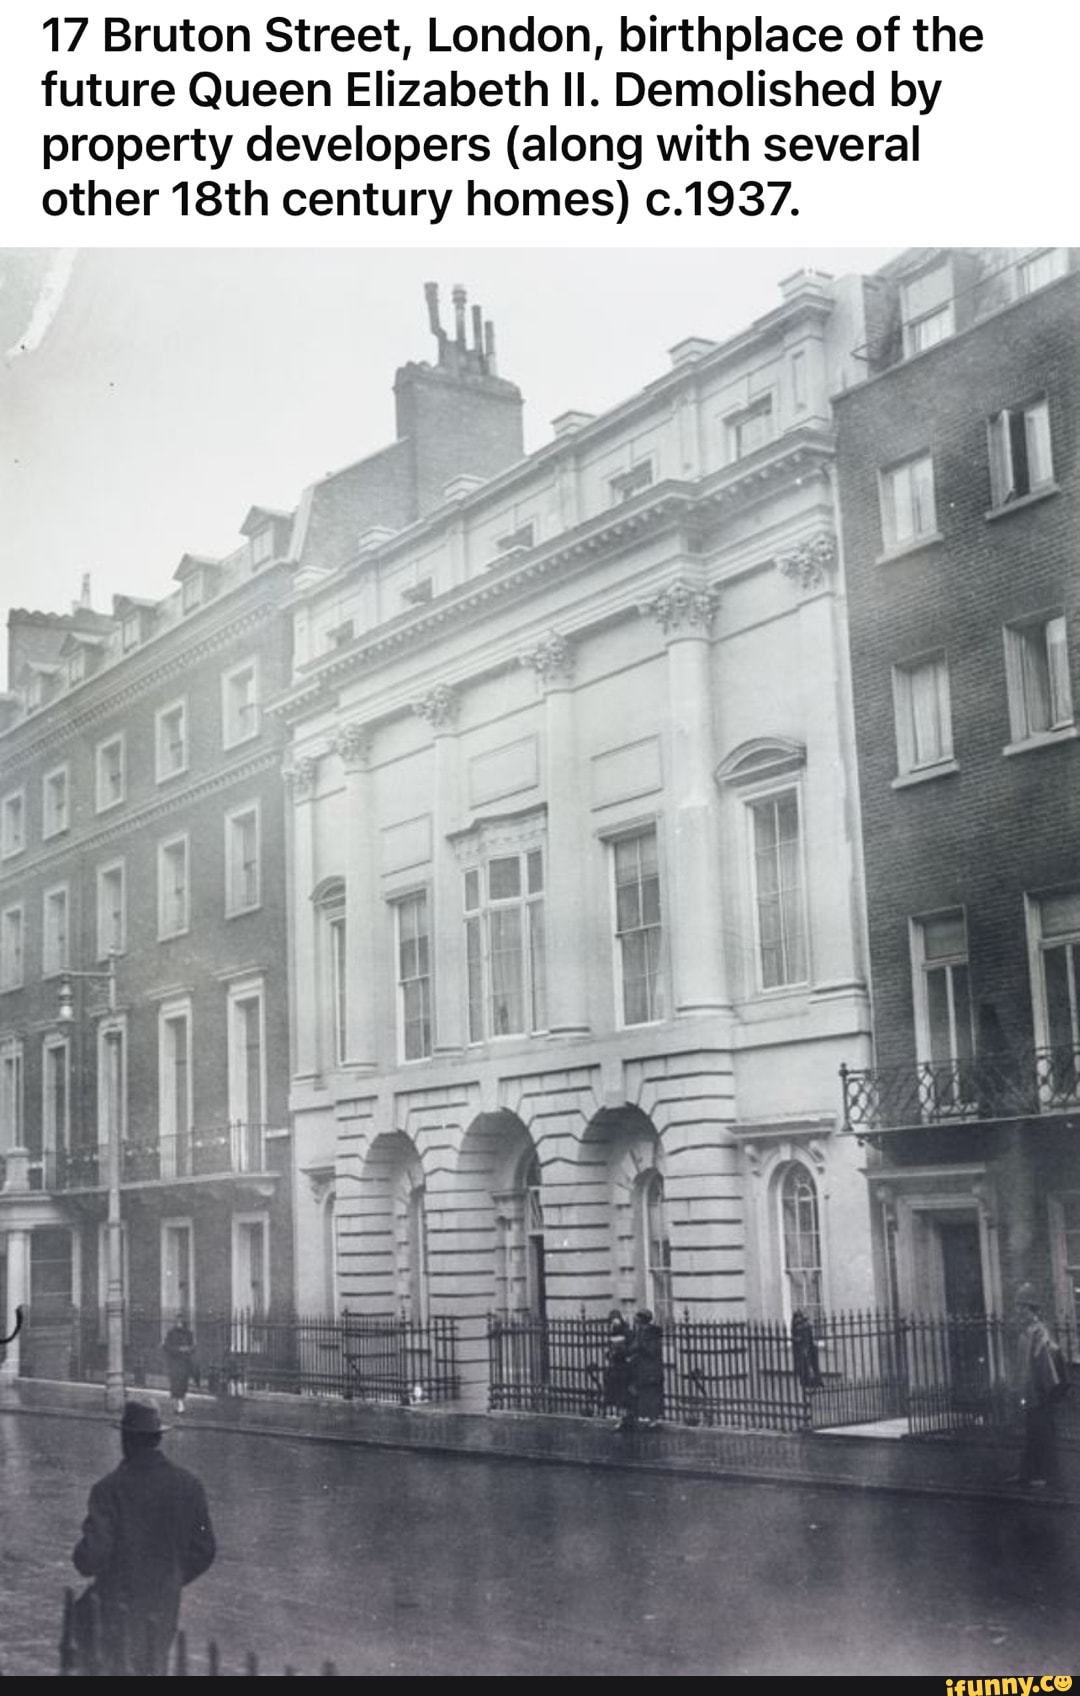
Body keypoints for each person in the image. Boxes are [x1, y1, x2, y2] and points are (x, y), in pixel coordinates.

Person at [72, 1396, 216, 1675]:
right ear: (157, 1439)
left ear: (126, 1438)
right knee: (154, 1666)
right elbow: (204, 1549)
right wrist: (172, 1575)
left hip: (117, 1608)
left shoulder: (109, 1489)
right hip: (163, 1604)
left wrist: (80, 1553)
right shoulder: (189, 1486)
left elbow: (92, 1556)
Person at [1009, 1282, 1063, 1490]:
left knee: (1043, 1433)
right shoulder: (1027, 1332)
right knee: (1032, 1432)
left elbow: (1046, 1362)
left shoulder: (1040, 1332)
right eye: (1018, 1307)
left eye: (1023, 1307)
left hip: (1040, 1392)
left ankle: (1048, 1476)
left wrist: (1043, 1391)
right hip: (1030, 1392)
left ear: (1032, 1310)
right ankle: (1027, 1473)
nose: (1019, 1311)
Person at [624, 1308, 665, 1431]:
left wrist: (637, 1347)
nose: (636, 1323)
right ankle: (640, 1417)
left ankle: (653, 1420)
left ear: (642, 1321)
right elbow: (634, 1347)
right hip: (642, 1369)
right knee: (640, 1393)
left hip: (650, 1370)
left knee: (651, 1395)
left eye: (638, 1320)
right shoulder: (642, 1332)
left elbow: (650, 1350)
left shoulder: (650, 1334)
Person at [162, 1315, 196, 1414]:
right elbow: (166, 1346)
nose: (179, 1323)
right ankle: (178, 1403)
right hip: (174, 1362)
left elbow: (193, 1346)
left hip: (185, 1362)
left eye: (181, 1321)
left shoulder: (189, 1334)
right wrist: (178, 1350)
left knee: (183, 1382)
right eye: (177, 1321)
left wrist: (188, 1350)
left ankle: (180, 1402)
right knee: (175, 1382)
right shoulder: (171, 1333)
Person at [602, 1309, 631, 1423]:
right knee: (612, 1389)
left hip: (623, 1366)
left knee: (623, 1390)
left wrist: (622, 1352)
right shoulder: (612, 1332)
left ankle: (622, 1412)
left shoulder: (626, 1332)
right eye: (612, 1322)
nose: (614, 1324)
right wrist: (609, 1353)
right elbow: (608, 1348)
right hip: (614, 1365)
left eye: (616, 1321)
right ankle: (613, 1411)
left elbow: (630, 1348)